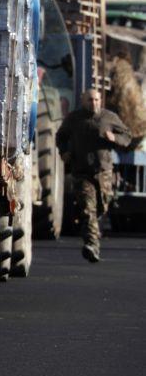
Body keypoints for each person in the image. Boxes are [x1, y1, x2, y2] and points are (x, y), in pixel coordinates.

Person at [56, 89, 132, 263]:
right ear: (83, 101)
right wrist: (64, 152)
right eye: (90, 100)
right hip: (82, 172)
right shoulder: (74, 119)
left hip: (104, 172)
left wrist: (114, 138)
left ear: (101, 100)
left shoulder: (109, 117)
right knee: (88, 210)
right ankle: (92, 245)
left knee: (101, 208)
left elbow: (127, 136)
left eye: (97, 100)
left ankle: (93, 237)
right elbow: (61, 136)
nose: (94, 103)